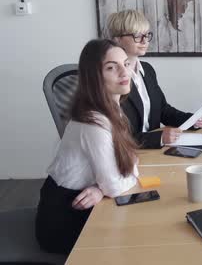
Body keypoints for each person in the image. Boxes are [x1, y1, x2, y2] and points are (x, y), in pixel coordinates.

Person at [36, 39, 139, 254]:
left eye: (126, 64)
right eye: (112, 67)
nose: (124, 71)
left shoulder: (113, 109)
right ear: (95, 78)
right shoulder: (94, 121)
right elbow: (116, 183)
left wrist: (102, 188)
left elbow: (131, 163)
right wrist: (105, 188)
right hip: (63, 216)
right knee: (134, 243)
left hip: (82, 200)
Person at [106, 10, 202, 149]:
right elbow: (116, 136)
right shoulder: (112, 79)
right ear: (117, 39)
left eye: (147, 35)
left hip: (153, 151)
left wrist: (192, 120)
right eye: (137, 35)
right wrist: (159, 138)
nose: (145, 40)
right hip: (129, 154)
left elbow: (162, 110)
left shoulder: (147, 70)